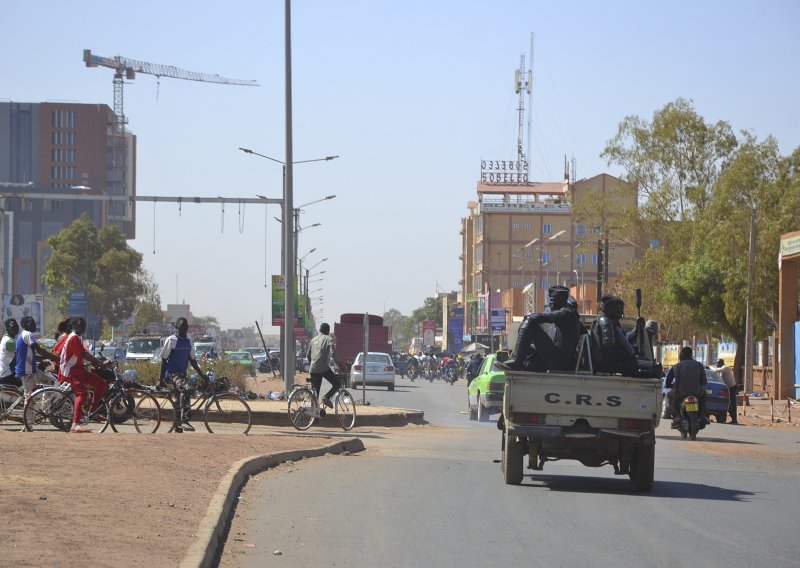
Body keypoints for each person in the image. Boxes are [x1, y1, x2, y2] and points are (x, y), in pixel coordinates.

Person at [498, 285, 582, 372]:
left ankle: (515, 361)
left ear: (560, 300)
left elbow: (543, 317)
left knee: (530, 322)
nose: (551, 306)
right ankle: (518, 364)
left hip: (560, 362)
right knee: (528, 349)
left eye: (553, 302)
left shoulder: (567, 314)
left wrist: (527, 320)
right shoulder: (570, 314)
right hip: (558, 359)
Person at [58, 316, 113, 433]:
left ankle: (91, 413)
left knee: (101, 384)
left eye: (83, 325)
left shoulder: (79, 338)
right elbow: (84, 355)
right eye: (79, 325)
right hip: (70, 370)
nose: (82, 327)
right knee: (82, 394)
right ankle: (75, 424)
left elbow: (87, 353)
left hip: (78, 369)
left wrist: (100, 360)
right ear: (73, 327)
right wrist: (101, 364)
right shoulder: (73, 338)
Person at [160, 317, 208, 432]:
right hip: (172, 373)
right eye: (182, 327)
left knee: (179, 398)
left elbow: (192, 360)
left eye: (186, 327)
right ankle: (184, 420)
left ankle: (177, 425)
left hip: (182, 374)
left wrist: (202, 375)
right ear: (177, 327)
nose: (184, 329)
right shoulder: (171, 340)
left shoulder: (189, 341)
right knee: (185, 389)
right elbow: (163, 359)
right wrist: (160, 379)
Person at [15, 316, 58, 400]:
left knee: (50, 383)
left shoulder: (22, 335)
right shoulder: (27, 334)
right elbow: (39, 350)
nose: (34, 324)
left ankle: (44, 409)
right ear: (24, 325)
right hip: (26, 372)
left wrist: (43, 359)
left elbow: (30, 355)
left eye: (34, 322)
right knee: (30, 398)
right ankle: (29, 412)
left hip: (32, 369)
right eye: (31, 322)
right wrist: (56, 358)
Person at [665, 346, 708, 426]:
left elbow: (668, 382)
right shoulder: (699, 365)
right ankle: (702, 415)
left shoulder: (677, 366)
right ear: (691, 354)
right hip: (697, 392)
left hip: (681, 393)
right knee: (704, 396)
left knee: (670, 396)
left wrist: (673, 387)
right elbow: (704, 381)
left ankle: (677, 416)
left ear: (682, 355)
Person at [306, 322, 344, 409]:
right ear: (328, 331)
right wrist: (339, 363)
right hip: (323, 368)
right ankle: (326, 397)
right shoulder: (328, 339)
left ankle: (314, 416)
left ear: (320, 330)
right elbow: (333, 353)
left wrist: (312, 364)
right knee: (337, 383)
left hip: (312, 369)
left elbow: (308, 355)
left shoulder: (313, 340)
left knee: (315, 394)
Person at [713, 358, 738, 424]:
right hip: (728, 388)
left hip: (732, 388)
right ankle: (733, 419)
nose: (717, 365)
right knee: (729, 404)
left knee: (731, 404)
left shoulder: (726, 368)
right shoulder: (722, 370)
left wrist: (709, 368)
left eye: (718, 364)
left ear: (721, 363)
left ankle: (734, 419)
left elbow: (716, 370)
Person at [1, 318, 21, 387]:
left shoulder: (6, 337)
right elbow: (23, 356)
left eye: (16, 325)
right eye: (13, 326)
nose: (16, 328)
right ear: (7, 329)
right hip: (7, 375)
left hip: (4, 372)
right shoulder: (10, 341)